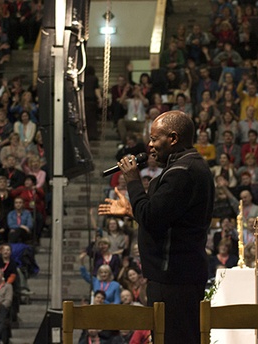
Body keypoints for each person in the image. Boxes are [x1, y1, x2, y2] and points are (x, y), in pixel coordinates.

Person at [98, 110, 214, 344]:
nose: (149, 145)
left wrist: (132, 179)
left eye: (154, 138)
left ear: (172, 138)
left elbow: (152, 217)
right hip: (178, 275)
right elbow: (167, 218)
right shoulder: (187, 167)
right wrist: (132, 210)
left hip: (174, 278)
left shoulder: (182, 173)